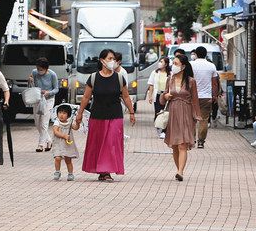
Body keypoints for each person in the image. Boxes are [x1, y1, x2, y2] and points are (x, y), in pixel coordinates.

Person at [76, 49, 135, 182]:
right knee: (99, 143)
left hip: (115, 115)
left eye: (113, 58)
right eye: (109, 58)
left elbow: (126, 96)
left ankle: (107, 171)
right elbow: (86, 97)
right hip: (97, 115)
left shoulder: (119, 77)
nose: (112, 61)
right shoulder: (93, 77)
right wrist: (79, 114)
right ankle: (102, 171)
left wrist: (131, 112)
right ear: (102, 60)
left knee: (111, 143)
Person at [160, 54, 201, 181]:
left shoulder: (191, 81)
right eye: (173, 63)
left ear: (183, 66)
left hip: (186, 114)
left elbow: (195, 100)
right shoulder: (170, 80)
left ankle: (180, 171)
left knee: (182, 144)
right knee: (175, 145)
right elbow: (162, 99)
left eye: (176, 63)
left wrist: (197, 115)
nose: (173, 65)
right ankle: (179, 170)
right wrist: (165, 96)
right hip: (173, 113)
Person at [190, 46, 219, 149]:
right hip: (206, 97)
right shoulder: (211, 66)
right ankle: (201, 142)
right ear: (206, 54)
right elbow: (214, 83)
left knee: (192, 119)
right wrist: (214, 96)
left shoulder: (191, 65)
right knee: (204, 120)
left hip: (192, 97)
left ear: (196, 54)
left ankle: (192, 139)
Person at [30, 57, 59, 152]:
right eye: (38, 69)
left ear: (46, 68)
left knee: (44, 123)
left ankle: (40, 145)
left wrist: (48, 93)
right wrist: (30, 81)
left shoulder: (52, 75)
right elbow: (32, 87)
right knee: (37, 123)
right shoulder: (34, 72)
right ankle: (49, 141)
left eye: (41, 69)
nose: (39, 71)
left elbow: (56, 89)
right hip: (37, 99)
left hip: (48, 100)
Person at [52, 104, 79, 181]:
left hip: (67, 144)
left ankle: (70, 173)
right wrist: (64, 136)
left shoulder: (70, 123)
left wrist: (77, 122)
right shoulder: (57, 122)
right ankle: (57, 171)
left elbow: (76, 128)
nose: (61, 115)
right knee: (57, 157)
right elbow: (55, 132)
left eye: (64, 113)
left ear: (68, 115)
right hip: (58, 143)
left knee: (68, 159)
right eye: (60, 112)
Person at [147, 56, 170, 139]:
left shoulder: (170, 73)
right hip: (157, 95)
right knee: (158, 112)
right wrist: (150, 96)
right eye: (159, 61)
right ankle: (159, 129)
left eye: (162, 62)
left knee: (166, 113)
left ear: (166, 64)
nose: (160, 63)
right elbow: (151, 85)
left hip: (166, 95)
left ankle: (165, 131)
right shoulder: (154, 72)